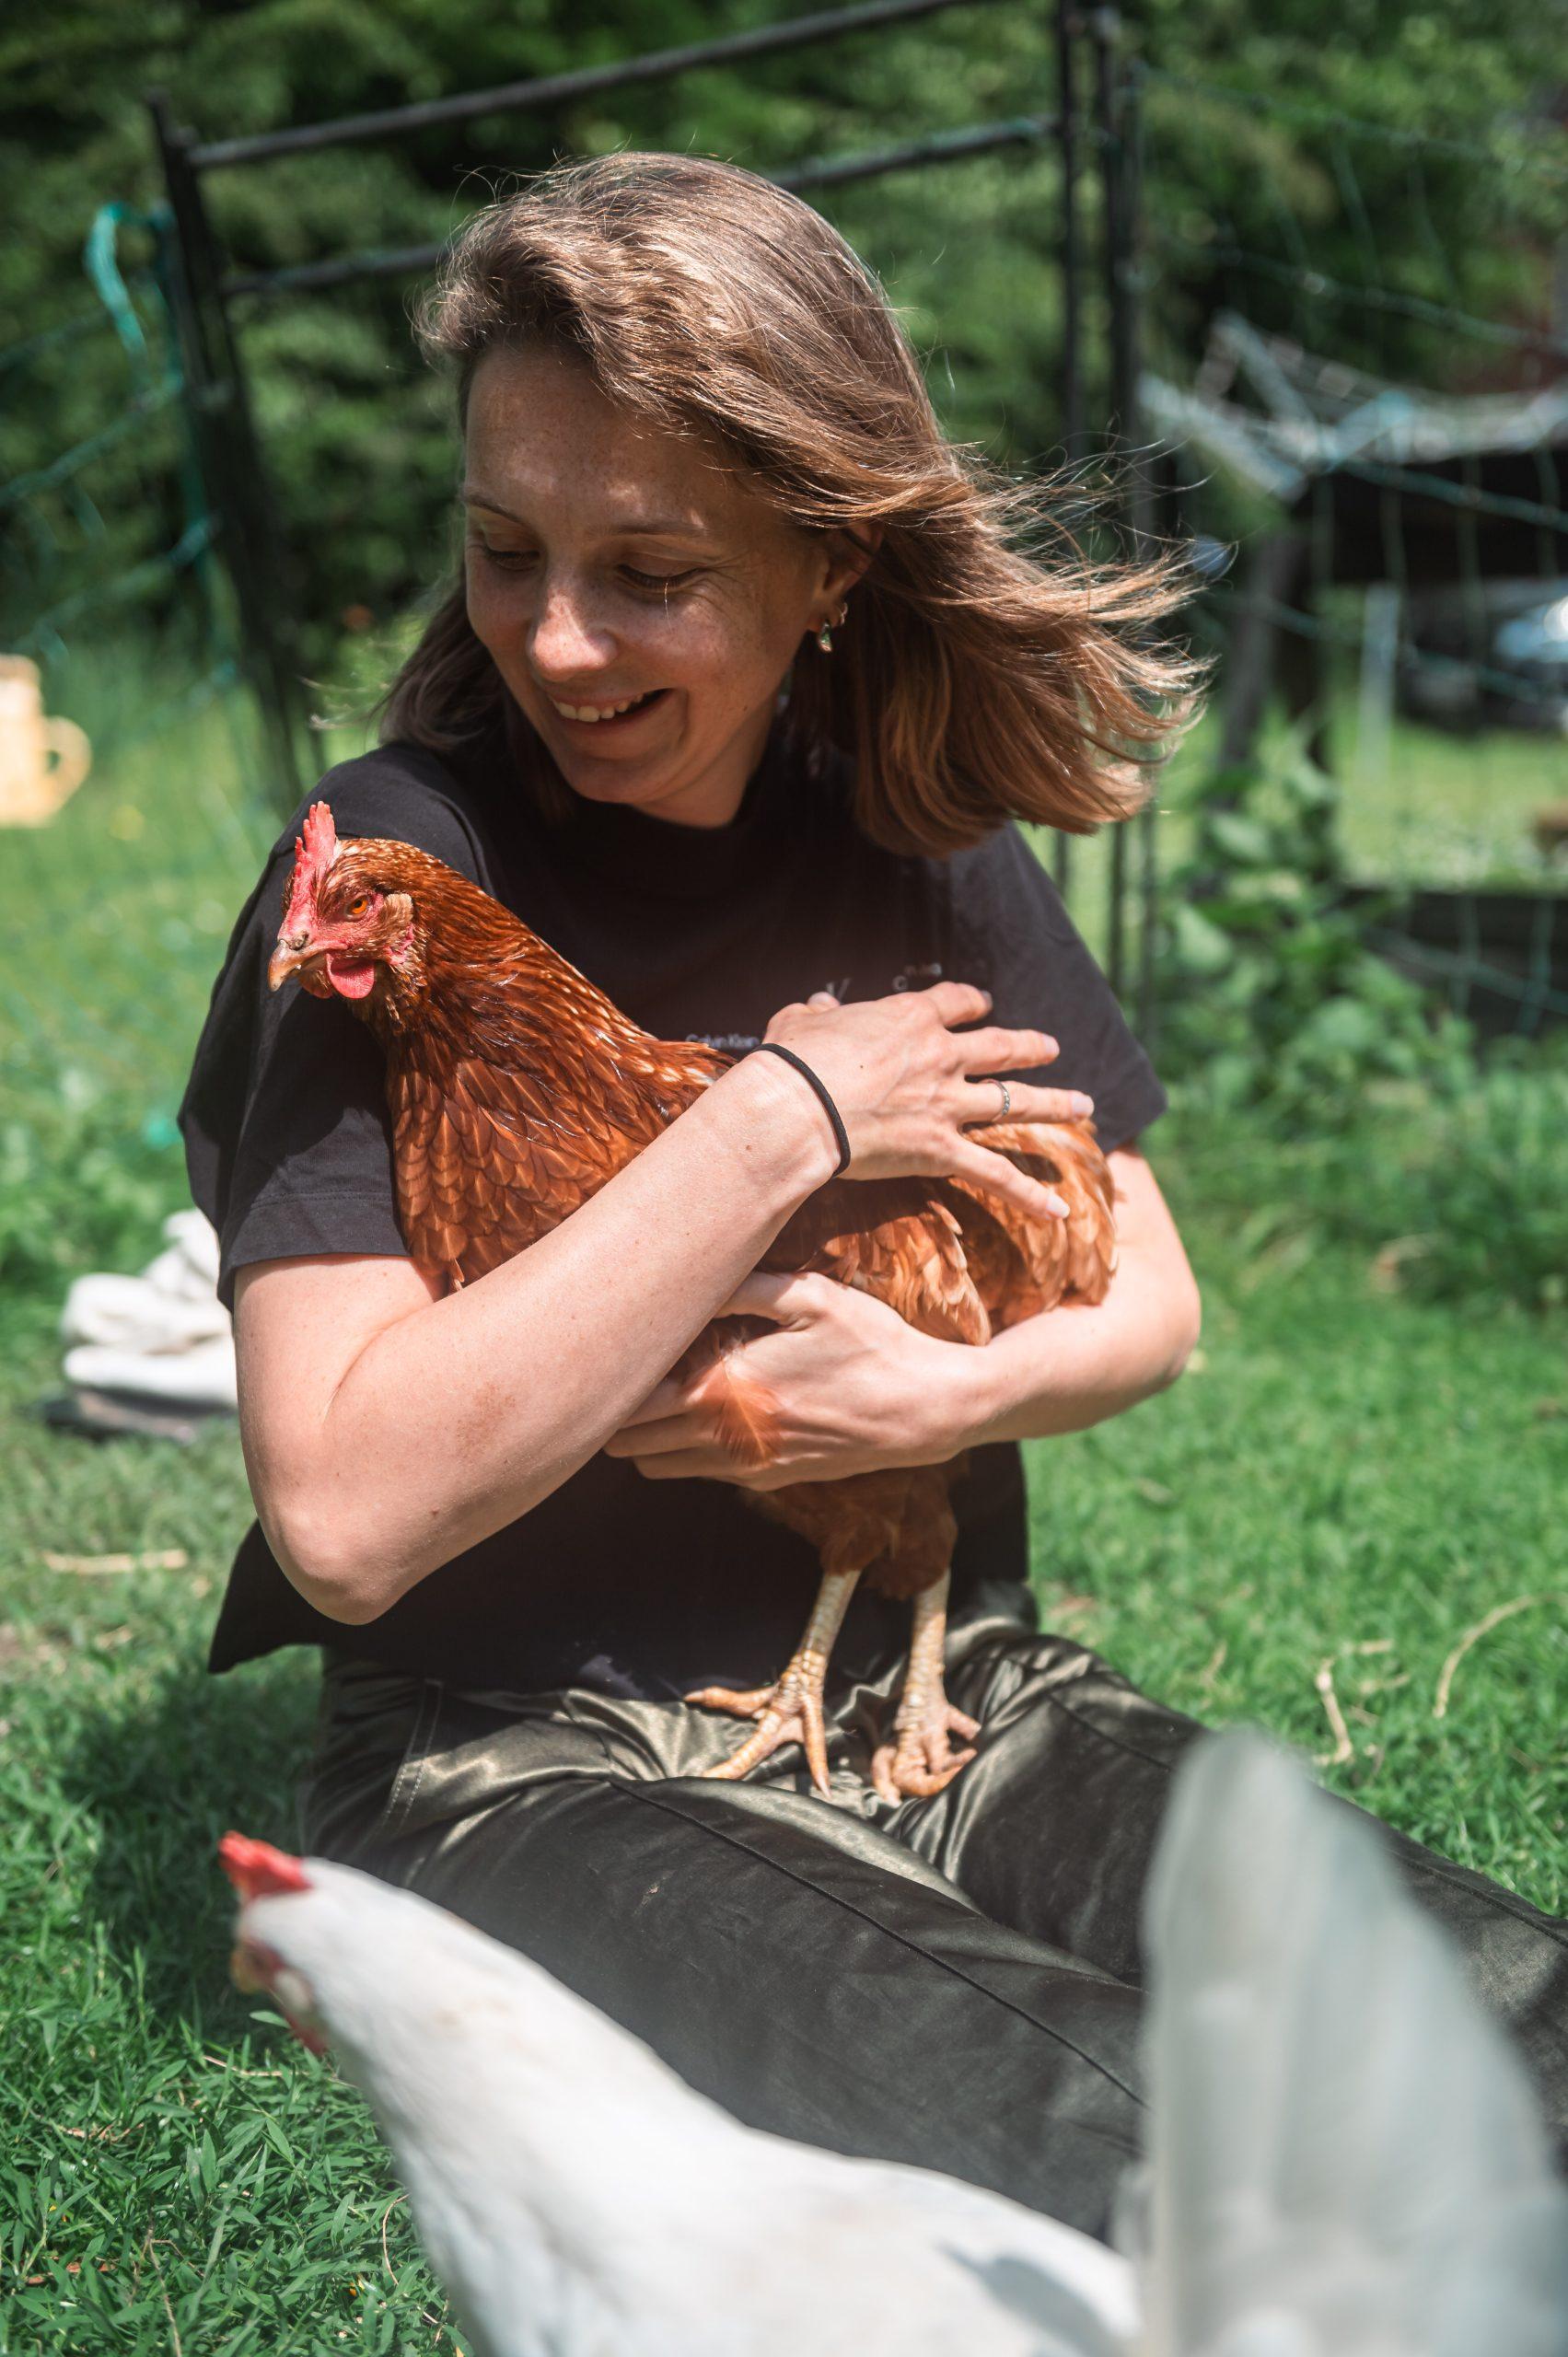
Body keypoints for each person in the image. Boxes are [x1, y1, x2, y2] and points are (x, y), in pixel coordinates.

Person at [181, 154, 1567, 2235]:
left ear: (826, 560)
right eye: (503, 548)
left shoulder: (917, 841)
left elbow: (1153, 1290)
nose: (557, 638)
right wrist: (782, 1119)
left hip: (946, 1693)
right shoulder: (391, 880)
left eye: (650, 569)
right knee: (1154, 2160)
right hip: (519, 1760)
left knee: (1497, 2031)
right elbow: (347, 1515)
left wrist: (928, 1402)